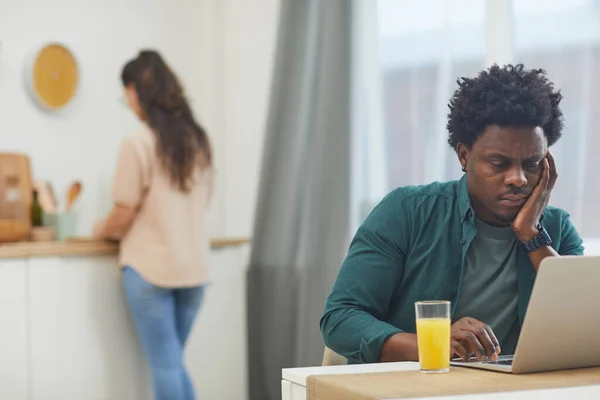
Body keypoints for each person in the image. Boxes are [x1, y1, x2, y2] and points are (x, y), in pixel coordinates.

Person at [320, 64, 584, 365]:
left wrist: (531, 235)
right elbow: (340, 319)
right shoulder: (408, 212)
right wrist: (433, 344)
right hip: (411, 386)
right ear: (464, 156)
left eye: (532, 164)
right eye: (499, 164)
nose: (518, 179)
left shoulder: (555, 229)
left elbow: (584, 324)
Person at [93, 50, 214, 399]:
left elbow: (123, 212)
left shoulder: (138, 141)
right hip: (194, 271)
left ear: (134, 91)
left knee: (166, 365)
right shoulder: (198, 140)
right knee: (172, 363)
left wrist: (100, 230)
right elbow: (203, 201)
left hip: (150, 270)